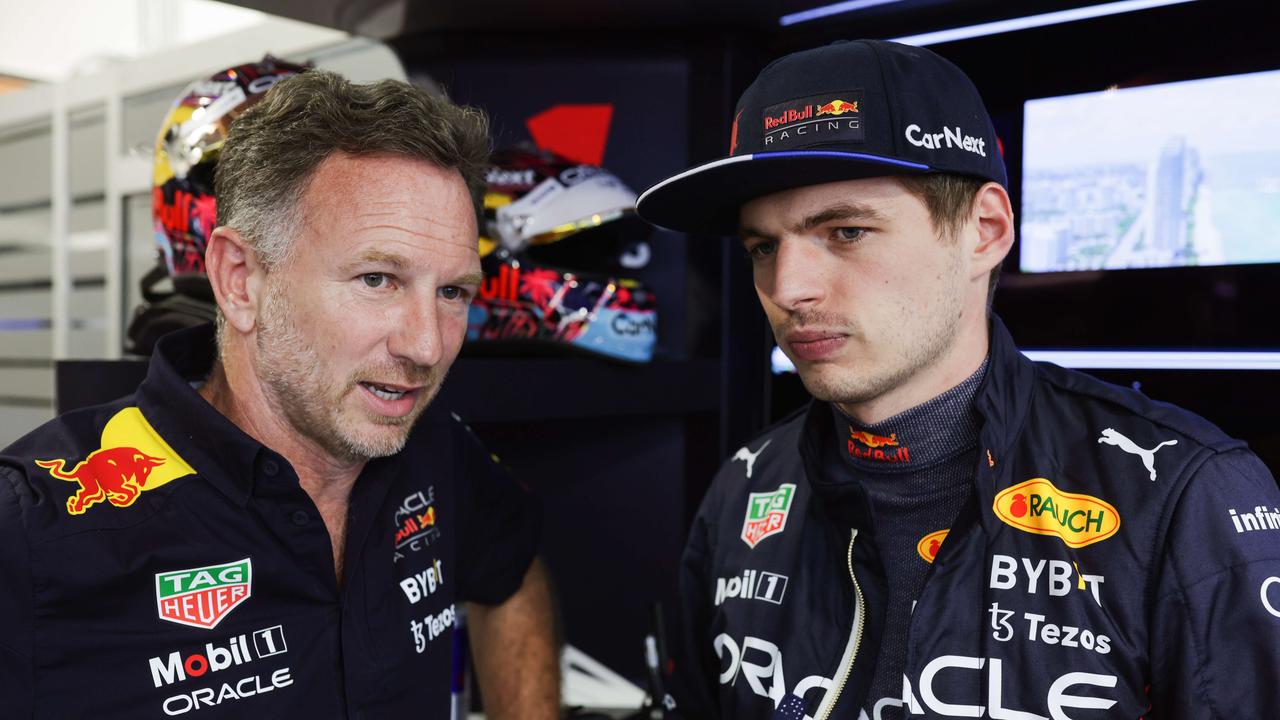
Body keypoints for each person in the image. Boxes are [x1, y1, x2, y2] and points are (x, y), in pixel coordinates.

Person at [636, 39, 1280, 720]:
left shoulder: (1186, 498)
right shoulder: (747, 484)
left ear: (985, 230)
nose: (788, 287)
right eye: (763, 246)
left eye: (847, 231)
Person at [0, 70, 559, 718]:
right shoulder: (33, 529)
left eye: (452, 292)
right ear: (240, 280)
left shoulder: (433, 447)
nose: (427, 347)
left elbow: (512, 570)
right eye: (377, 279)